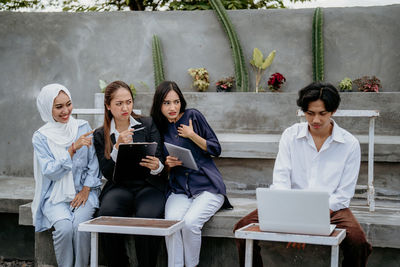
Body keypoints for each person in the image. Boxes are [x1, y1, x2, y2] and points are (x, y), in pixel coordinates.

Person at [233, 82, 373, 267]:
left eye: (322, 113)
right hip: (289, 204)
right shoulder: (290, 136)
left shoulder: (349, 144)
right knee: (241, 228)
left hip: (330, 209)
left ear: (333, 111)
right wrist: (294, 219)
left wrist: (306, 222)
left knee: (358, 242)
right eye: (310, 113)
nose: (315, 120)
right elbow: (281, 180)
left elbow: (343, 194)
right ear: (303, 111)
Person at [150, 81, 232, 267]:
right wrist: (168, 164)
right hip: (180, 189)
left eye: (176, 101)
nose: (173, 107)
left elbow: (215, 149)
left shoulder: (192, 117)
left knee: (190, 223)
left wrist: (192, 135)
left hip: (207, 187)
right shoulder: (160, 128)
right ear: (159, 105)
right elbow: (162, 164)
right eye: (166, 103)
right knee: (171, 224)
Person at [93, 80, 167, 267]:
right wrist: (117, 147)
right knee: (107, 213)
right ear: (108, 106)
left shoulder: (147, 124)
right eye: (119, 104)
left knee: (147, 217)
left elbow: (160, 162)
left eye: (128, 102)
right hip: (119, 186)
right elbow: (108, 172)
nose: (125, 107)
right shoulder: (102, 134)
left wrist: (157, 166)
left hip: (149, 185)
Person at [32, 83, 102, 267]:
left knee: (80, 227)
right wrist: (71, 149)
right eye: (59, 107)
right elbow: (50, 172)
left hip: (85, 192)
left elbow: (94, 162)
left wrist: (86, 189)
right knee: (64, 229)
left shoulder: (82, 127)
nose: (66, 111)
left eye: (68, 104)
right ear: (48, 109)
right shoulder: (41, 137)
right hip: (55, 196)